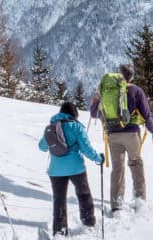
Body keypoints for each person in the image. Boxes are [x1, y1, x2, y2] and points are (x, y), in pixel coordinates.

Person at [90, 64, 153, 212]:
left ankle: (116, 205)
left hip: (112, 135)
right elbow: (147, 116)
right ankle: (140, 201)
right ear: (132, 76)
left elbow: (94, 114)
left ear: (119, 75)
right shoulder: (136, 91)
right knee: (136, 164)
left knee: (117, 169)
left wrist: (95, 102)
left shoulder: (108, 90)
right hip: (131, 134)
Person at [38, 101, 104, 237]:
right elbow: (86, 149)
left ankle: (59, 230)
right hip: (76, 168)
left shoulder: (51, 127)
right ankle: (88, 222)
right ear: (74, 114)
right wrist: (99, 158)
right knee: (83, 194)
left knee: (59, 199)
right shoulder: (76, 127)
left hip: (55, 170)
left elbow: (42, 146)